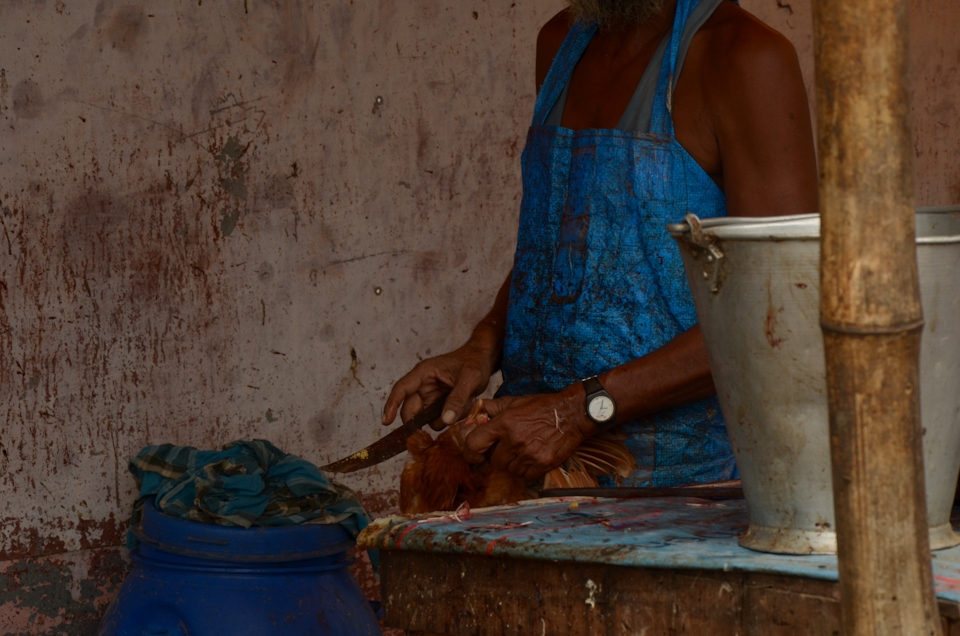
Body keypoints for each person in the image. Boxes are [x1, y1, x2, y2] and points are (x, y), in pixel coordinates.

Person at [382, 0, 818, 487]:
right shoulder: (561, 42)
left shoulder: (745, 57)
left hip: (688, 485)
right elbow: (566, 244)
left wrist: (580, 410)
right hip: (530, 464)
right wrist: (483, 346)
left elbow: (778, 311)